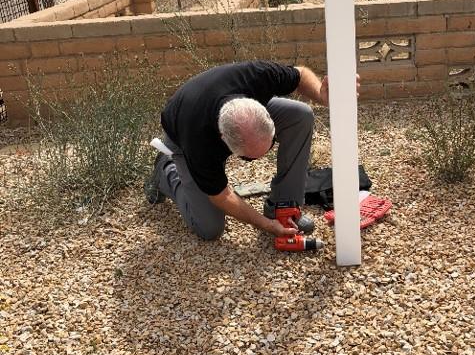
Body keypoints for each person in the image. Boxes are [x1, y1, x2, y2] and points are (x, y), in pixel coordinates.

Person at [145, 60, 350, 241]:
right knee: (209, 228)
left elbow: (301, 74)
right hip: (180, 135)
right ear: (223, 141)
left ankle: (283, 206)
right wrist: (266, 225)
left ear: (264, 112)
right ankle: (164, 171)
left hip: (235, 109)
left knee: (300, 115)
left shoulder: (258, 76)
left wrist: (321, 96)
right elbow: (221, 195)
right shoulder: (199, 140)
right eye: (249, 157)